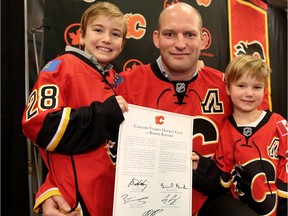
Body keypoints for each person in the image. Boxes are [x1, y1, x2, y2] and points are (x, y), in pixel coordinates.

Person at [39, 2, 268, 215]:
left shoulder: (228, 87)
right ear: (157, 39)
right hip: (144, 200)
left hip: (207, 199)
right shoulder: (120, 84)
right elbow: (84, 138)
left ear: (204, 40)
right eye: (170, 34)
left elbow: (257, 138)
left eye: (189, 34)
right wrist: (53, 189)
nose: (180, 44)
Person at [22, 2, 128, 216]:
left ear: (123, 43)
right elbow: (41, 126)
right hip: (77, 200)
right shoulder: (61, 67)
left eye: (115, 34)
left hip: (116, 198)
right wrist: (104, 115)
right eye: (98, 30)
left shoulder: (117, 79)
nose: (107, 39)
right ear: (81, 36)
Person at [213, 55, 288, 215]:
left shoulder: (279, 123)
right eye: (241, 85)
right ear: (228, 88)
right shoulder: (223, 128)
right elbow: (223, 177)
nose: (249, 93)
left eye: (257, 87)